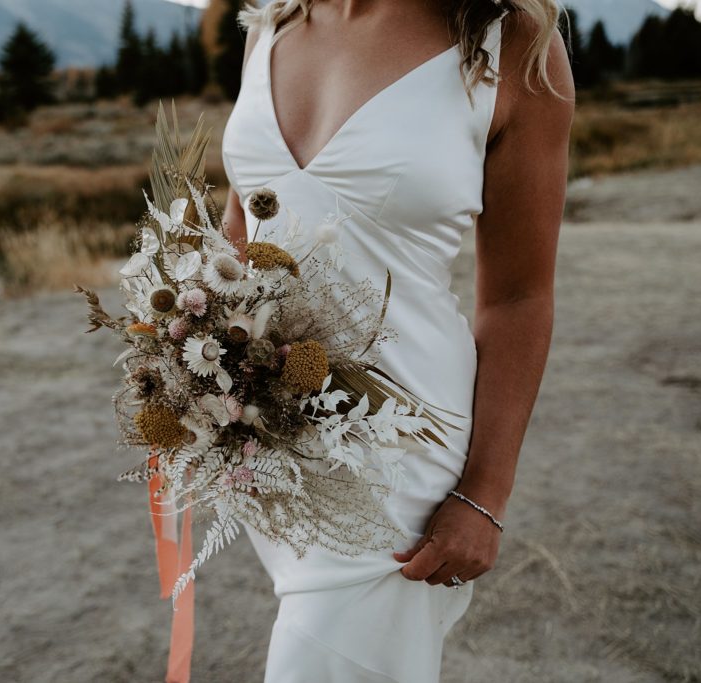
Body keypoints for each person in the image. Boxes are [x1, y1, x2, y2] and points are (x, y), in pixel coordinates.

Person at [219, 0, 574, 680]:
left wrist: (485, 493)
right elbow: (243, 231)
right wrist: (189, 370)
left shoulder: (516, 48)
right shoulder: (271, 23)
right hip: (269, 442)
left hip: (399, 455)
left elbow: (519, 298)